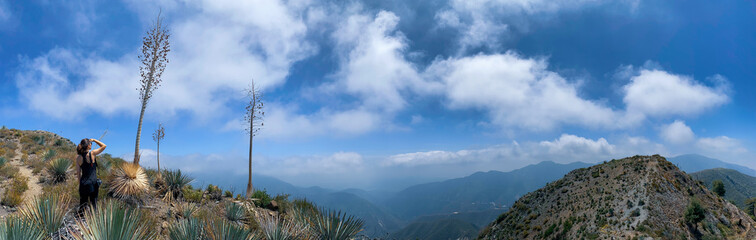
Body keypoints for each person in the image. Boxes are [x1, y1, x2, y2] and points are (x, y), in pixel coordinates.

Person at [75, 138, 106, 214]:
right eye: (90, 143)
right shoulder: (92, 153)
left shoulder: (78, 158)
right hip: (93, 183)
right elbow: (104, 146)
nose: (91, 145)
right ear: (88, 145)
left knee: (82, 205)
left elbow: (78, 173)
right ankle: (93, 221)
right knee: (93, 204)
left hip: (83, 184)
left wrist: (80, 184)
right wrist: (95, 140)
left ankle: (80, 222)